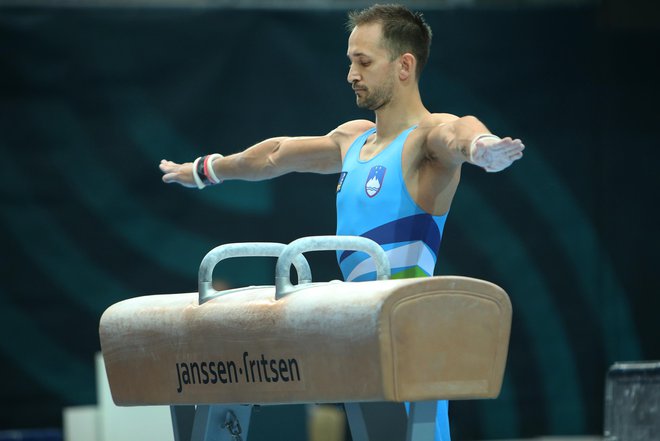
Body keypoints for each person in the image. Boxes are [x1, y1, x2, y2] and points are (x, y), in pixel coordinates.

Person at [159, 4, 524, 440]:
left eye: (364, 62)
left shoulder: (426, 138)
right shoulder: (353, 138)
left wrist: (479, 145)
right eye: (350, 60)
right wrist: (206, 169)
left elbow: (457, 130)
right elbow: (276, 154)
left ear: (404, 65)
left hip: (402, 329)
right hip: (355, 325)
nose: (351, 73)